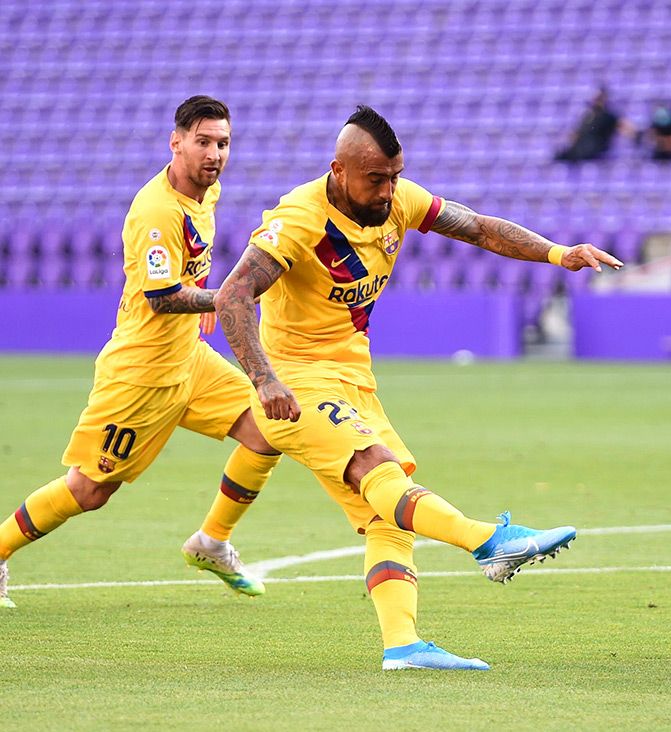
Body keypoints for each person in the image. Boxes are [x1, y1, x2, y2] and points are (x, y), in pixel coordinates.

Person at [214, 106, 623, 671]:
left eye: (394, 176)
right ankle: (488, 542)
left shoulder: (400, 199)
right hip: (298, 381)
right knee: (376, 469)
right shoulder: (298, 219)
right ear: (339, 171)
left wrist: (558, 253)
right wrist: (264, 380)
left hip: (354, 378)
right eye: (375, 179)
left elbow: (478, 227)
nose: (388, 190)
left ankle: (402, 645)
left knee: (388, 512)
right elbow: (233, 295)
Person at [0, 97, 281, 608]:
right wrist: (221, 297)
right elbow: (162, 295)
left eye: (223, 143)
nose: (214, 154)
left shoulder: (207, 192)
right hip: (141, 373)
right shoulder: (156, 211)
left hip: (190, 361)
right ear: (175, 143)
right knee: (89, 491)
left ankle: (211, 542)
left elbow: (187, 274)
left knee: (270, 430)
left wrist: (205, 300)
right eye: (203, 142)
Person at [554, 87, 627, 163]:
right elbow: (578, 133)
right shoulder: (588, 115)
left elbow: (623, 127)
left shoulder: (609, 116)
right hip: (581, 148)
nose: (596, 101)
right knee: (559, 157)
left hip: (594, 149)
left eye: (599, 98)